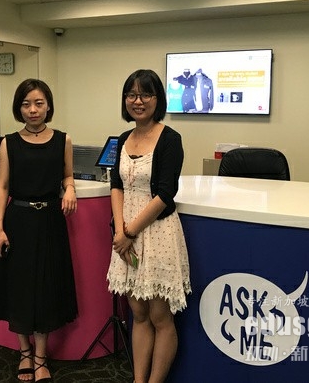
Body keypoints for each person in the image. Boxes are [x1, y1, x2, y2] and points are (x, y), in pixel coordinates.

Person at [107, 69, 191, 383]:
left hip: (157, 233)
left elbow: (166, 193)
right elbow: (116, 185)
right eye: (131, 94)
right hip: (126, 236)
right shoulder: (122, 139)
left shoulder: (170, 139)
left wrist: (129, 232)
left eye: (146, 94)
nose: (138, 101)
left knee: (160, 316)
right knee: (138, 314)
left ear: (158, 99)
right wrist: (120, 232)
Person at [0, 78, 78, 382]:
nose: (33, 109)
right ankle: (24, 352)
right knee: (20, 289)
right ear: (19, 108)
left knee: (45, 289)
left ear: (48, 106)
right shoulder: (8, 143)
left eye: (39, 103)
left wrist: (70, 189)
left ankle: (41, 357)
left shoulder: (63, 140)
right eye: (26, 104)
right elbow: (3, 187)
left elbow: (68, 176)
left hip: (50, 221)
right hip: (18, 221)